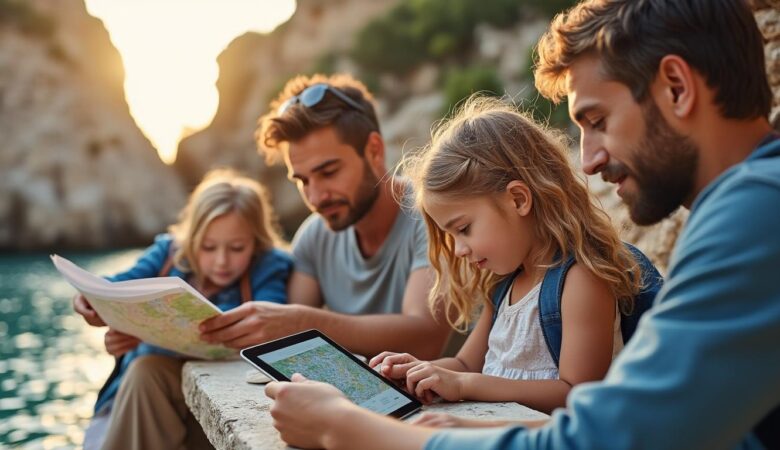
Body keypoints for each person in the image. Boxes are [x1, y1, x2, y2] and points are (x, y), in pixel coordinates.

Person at [263, 0, 780, 448]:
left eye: (598, 121)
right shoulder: (747, 206)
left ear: (677, 87)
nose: (588, 161)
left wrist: (342, 427)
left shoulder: (758, 210)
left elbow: (603, 437)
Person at [366, 96, 660, 417]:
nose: (459, 249)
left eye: (463, 229)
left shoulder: (580, 279)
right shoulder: (502, 285)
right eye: (450, 236)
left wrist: (464, 384)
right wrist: (418, 373)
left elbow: (576, 392)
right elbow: (465, 364)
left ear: (518, 199)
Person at [198, 74, 451, 359]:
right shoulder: (314, 236)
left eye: (329, 173)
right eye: (303, 181)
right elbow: (285, 342)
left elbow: (425, 340)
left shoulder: (432, 214)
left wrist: (303, 323)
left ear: (374, 151)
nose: (316, 197)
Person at [74, 169, 293, 450]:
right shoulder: (168, 253)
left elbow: (270, 320)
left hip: (214, 385)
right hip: (143, 391)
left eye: (237, 248)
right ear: (191, 239)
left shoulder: (268, 265)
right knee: (144, 370)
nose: (222, 261)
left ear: (256, 242)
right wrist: (90, 300)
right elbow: (116, 287)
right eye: (208, 247)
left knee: (145, 370)